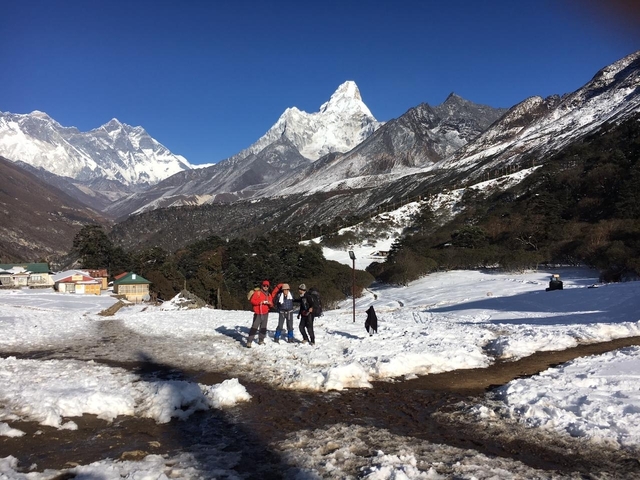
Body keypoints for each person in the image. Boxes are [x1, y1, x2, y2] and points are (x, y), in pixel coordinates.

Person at [247, 280, 273, 348]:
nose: (265, 287)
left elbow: (272, 304)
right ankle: (249, 341)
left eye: (267, 286)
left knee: (263, 327)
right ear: (262, 286)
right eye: (264, 285)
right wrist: (260, 302)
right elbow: (252, 301)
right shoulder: (257, 293)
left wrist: (270, 304)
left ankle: (261, 340)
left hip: (265, 313)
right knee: (254, 327)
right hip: (258, 313)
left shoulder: (269, 294)